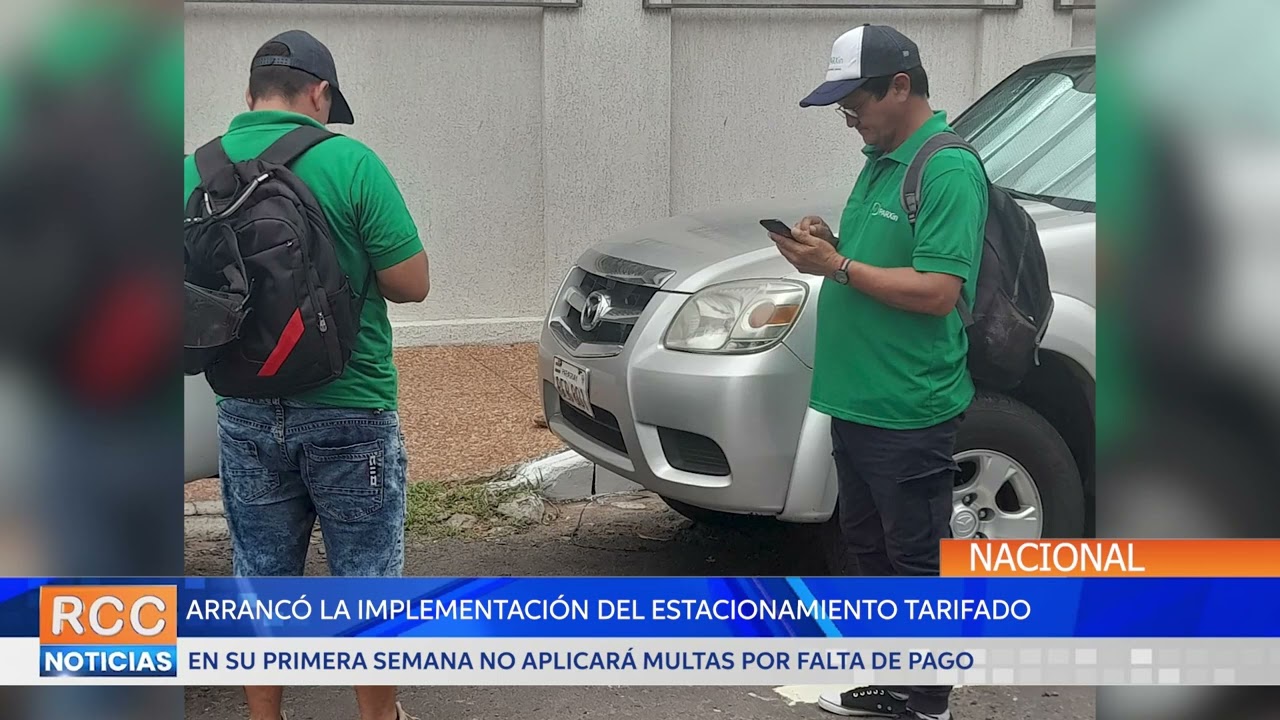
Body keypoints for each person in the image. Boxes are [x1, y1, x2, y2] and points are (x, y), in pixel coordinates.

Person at [182, 30, 429, 720]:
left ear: (249, 93)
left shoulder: (192, 171)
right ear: (320, 94)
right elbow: (412, 284)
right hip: (352, 405)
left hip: (245, 409)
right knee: (367, 582)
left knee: (262, 579)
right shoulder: (351, 162)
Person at [768, 24, 987, 720]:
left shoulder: (946, 168)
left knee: (915, 558)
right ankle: (893, 679)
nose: (849, 120)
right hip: (857, 400)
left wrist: (836, 266)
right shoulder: (881, 158)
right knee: (867, 549)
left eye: (854, 104)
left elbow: (938, 291)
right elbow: (879, 263)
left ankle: (927, 701)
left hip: (908, 407)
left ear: (899, 87)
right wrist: (830, 246)